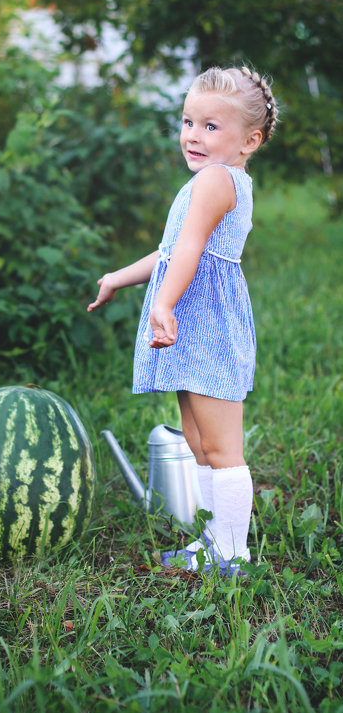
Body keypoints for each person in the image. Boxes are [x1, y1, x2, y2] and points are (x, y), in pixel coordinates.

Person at [87, 66, 278, 577]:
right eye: (188, 120)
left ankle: (232, 555)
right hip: (194, 327)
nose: (194, 134)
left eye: (212, 126)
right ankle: (217, 540)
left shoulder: (217, 180)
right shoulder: (208, 179)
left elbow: (190, 251)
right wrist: (119, 277)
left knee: (221, 447)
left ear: (249, 140)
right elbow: (170, 251)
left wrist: (164, 303)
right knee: (198, 442)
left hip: (206, 324)